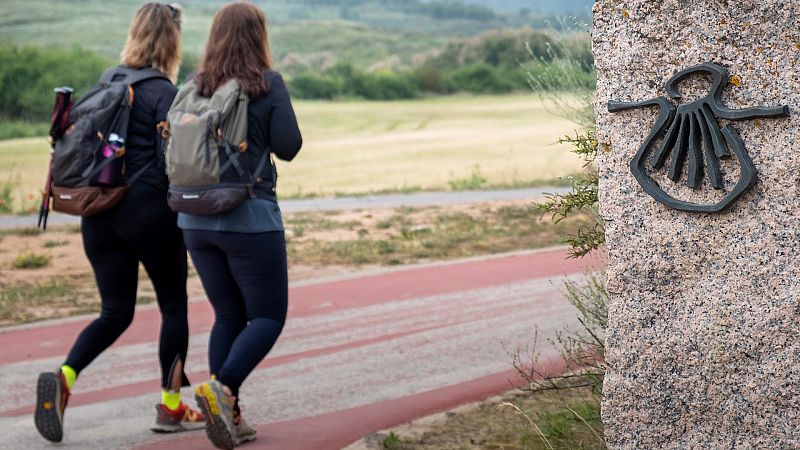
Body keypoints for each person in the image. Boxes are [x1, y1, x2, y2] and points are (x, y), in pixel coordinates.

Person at [34, 3, 205, 443]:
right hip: (148, 214)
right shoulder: (164, 92)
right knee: (173, 307)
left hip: (98, 214)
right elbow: (176, 163)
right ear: (172, 41)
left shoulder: (107, 81)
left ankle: (65, 376)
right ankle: (171, 406)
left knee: (114, 312)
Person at [178, 3, 302, 448]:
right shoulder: (266, 83)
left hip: (193, 219)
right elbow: (289, 146)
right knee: (267, 316)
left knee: (227, 314)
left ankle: (228, 414)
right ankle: (223, 386)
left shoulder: (193, 85)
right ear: (259, 36)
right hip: (248, 217)